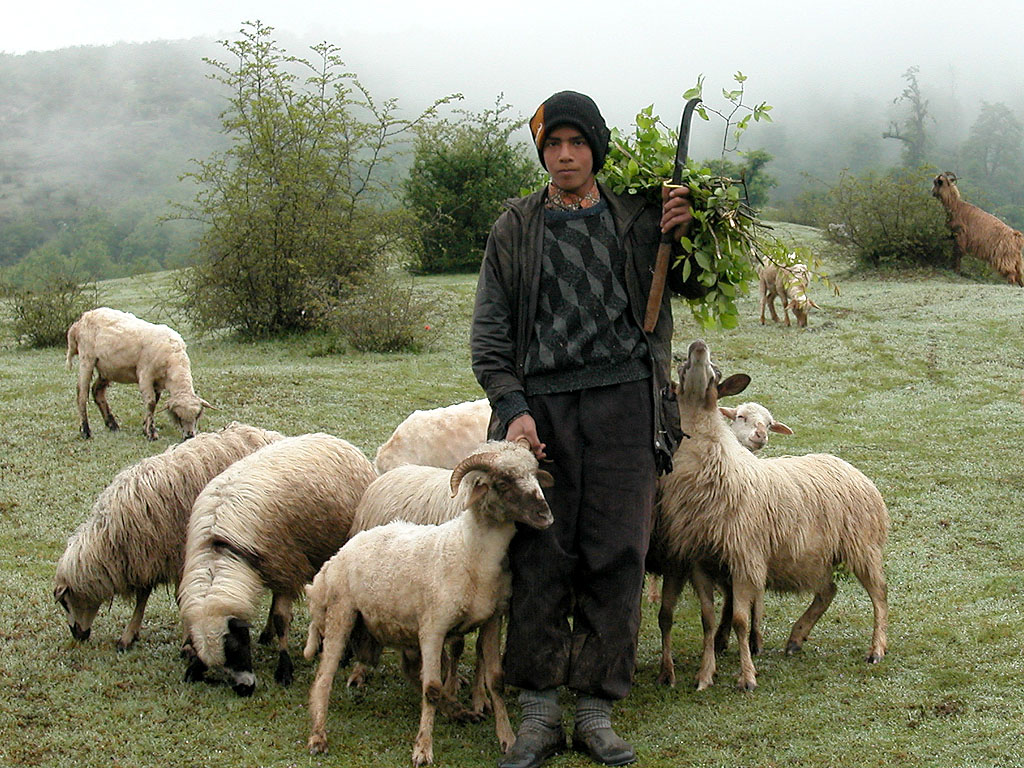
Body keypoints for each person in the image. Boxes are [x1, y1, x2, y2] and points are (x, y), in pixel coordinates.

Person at [470, 90, 693, 768]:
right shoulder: (516, 228)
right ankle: (537, 711)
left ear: (595, 148)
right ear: (542, 152)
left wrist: (681, 232)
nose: (564, 155)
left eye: (576, 143)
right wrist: (515, 410)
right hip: (546, 414)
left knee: (618, 552)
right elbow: (490, 337)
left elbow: (689, 283)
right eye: (552, 145)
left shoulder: (635, 218)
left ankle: (597, 709)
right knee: (541, 554)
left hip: (626, 406)